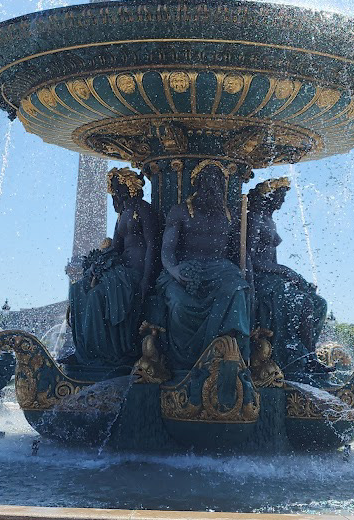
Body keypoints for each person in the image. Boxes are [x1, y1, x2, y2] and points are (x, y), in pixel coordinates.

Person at [156, 160, 251, 371]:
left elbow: (240, 252)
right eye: (208, 180)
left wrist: (247, 279)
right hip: (185, 271)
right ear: (197, 183)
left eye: (217, 181)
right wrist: (174, 270)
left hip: (221, 271)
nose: (213, 185)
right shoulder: (180, 211)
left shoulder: (230, 215)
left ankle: (230, 354)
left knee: (237, 291)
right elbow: (167, 249)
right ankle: (183, 365)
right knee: (179, 304)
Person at [66, 168, 159, 371]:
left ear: (129, 187)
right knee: (78, 290)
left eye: (117, 189)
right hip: (120, 270)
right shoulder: (122, 216)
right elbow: (115, 249)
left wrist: (147, 279)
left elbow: (153, 245)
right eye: (113, 190)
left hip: (135, 272)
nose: (114, 194)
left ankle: (103, 353)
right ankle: (84, 351)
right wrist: (96, 266)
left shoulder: (143, 210)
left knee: (97, 296)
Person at [246, 176, 328, 376]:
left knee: (319, 303)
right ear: (269, 196)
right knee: (303, 303)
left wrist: (292, 278)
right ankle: (304, 357)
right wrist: (286, 272)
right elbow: (250, 258)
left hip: (273, 276)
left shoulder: (269, 221)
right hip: (260, 278)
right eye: (280, 196)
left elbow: (272, 259)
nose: (282, 201)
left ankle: (307, 354)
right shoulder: (254, 218)